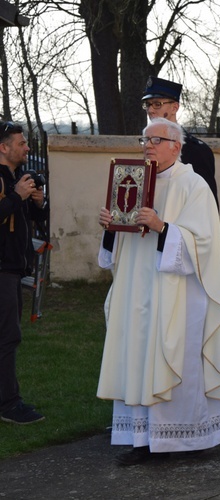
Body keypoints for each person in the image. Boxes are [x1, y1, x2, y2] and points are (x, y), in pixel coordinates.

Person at [97, 118, 220, 465]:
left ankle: (187, 438)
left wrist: (161, 226)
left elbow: (203, 243)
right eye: (144, 139)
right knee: (138, 356)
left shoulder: (194, 186)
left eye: (155, 139)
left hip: (177, 293)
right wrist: (112, 224)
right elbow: (116, 249)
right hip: (136, 290)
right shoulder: (135, 181)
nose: (147, 145)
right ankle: (140, 439)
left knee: (176, 357)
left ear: (176, 145)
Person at [142, 76, 220, 415]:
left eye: (159, 104)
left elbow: (206, 204)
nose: (153, 110)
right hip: (152, 250)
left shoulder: (196, 151)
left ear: (174, 107)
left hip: (184, 244)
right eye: (149, 105)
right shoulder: (146, 148)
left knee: (200, 324)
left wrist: (179, 233)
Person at [0, 121, 48, 425]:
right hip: (1, 270)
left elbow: (27, 219)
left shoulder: (17, 177)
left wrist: (39, 204)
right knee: (7, 337)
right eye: (21, 143)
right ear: (4, 148)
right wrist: (16, 195)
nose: (27, 148)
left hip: (13, 269)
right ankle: (8, 404)